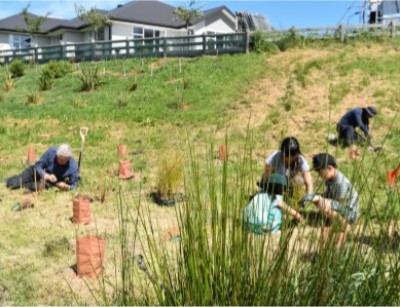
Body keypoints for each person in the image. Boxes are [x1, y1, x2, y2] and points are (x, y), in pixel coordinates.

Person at [299, 153, 359, 228]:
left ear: (330, 168)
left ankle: (344, 224)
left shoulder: (340, 182)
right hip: (339, 206)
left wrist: (321, 199)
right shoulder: (330, 178)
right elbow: (329, 195)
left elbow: (341, 203)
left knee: (321, 202)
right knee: (316, 198)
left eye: (320, 172)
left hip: (349, 213)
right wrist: (314, 196)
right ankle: (331, 218)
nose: (319, 175)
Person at [5, 144, 79, 192]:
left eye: (63, 160)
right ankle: (9, 181)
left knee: (35, 187)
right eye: (58, 158)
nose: (59, 161)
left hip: (50, 182)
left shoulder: (73, 167)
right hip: (37, 172)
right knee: (12, 184)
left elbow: (75, 183)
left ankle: (27, 185)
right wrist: (46, 175)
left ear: (69, 158)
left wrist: (67, 187)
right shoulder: (51, 152)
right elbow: (38, 166)